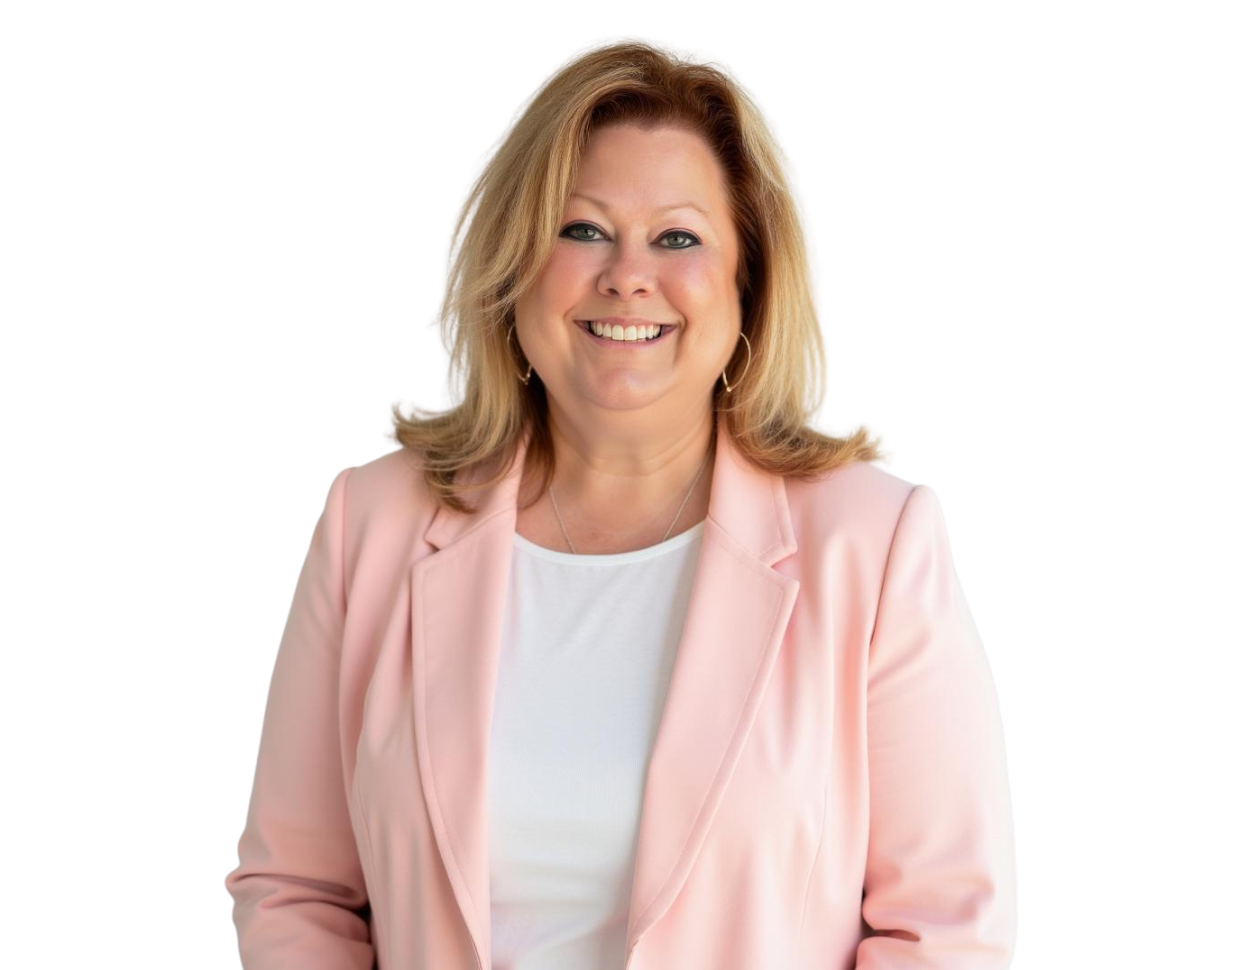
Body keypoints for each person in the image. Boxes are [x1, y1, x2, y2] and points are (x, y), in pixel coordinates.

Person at [224, 36, 1018, 970]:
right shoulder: (371, 521)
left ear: (750, 285)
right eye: (582, 230)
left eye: (678, 238)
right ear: (513, 265)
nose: (627, 276)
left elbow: (946, 932)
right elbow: (297, 890)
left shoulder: (875, 544)